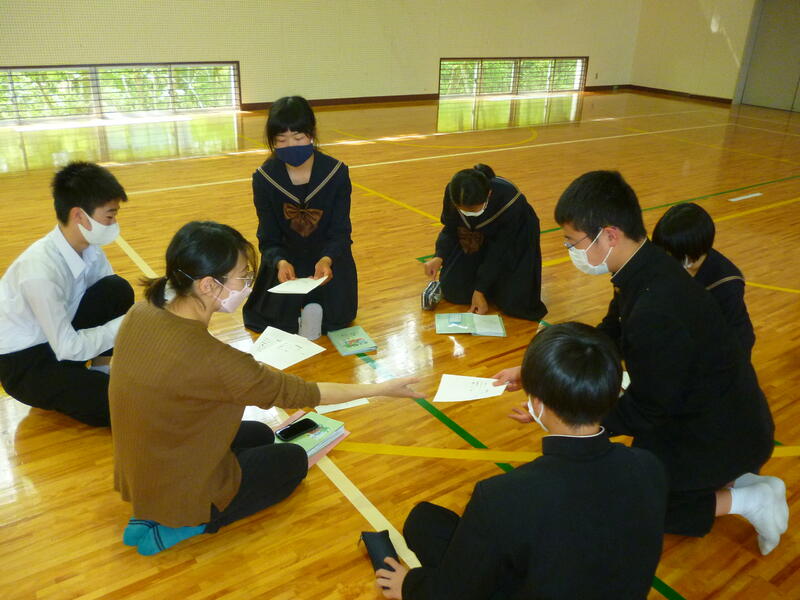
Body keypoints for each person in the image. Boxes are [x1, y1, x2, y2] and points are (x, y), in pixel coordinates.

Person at [494, 171, 785, 555]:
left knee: (633, 505)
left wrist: (565, 417)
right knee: (628, 481)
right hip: (697, 408)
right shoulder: (643, 268)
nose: (569, 249)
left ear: (609, 235)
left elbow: (646, 408)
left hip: (721, 432)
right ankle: (733, 483)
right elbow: (609, 333)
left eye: (573, 241)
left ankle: (753, 498)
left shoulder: (655, 308)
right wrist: (541, 373)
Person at [110, 221, 416, 556]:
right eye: (243, 276)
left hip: (142, 467)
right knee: (293, 461)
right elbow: (308, 393)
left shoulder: (142, 311)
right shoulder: (217, 361)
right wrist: (382, 388)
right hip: (181, 479)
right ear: (209, 285)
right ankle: (192, 521)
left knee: (258, 433)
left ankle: (151, 510)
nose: (248, 284)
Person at [375, 322, 667, 599]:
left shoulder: (501, 497)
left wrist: (409, 586)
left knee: (423, 522)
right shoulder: (649, 466)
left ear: (536, 403)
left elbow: (455, 593)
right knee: (430, 523)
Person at [0, 161, 133, 427]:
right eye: (109, 216)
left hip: (57, 337)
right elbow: (68, 347)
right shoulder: (40, 270)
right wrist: (127, 324)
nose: (114, 223)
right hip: (26, 364)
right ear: (79, 216)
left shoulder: (88, 247)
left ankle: (101, 370)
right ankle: (81, 385)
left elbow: (108, 299)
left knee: (116, 289)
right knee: (122, 405)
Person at [243, 96, 357, 337]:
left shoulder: (336, 172)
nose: (290, 146)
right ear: (272, 142)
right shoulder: (264, 179)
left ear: (311, 134)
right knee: (271, 318)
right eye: (281, 140)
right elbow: (268, 236)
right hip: (288, 258)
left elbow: (341, 231)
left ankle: (313, 306)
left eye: (298, 138)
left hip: (327, 257)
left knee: (338, 318)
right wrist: (280, 262)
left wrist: (327, 259)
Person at [423, 164, 546, 320]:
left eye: (473, 210)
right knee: (455, 292)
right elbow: (451, 228)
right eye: (462, 209)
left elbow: (500, 249)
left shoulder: (510, 202)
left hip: (514, 239)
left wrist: (480, 290)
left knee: (515, 303)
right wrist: (439, 256)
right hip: (477, 236)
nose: (468, 213)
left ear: (489, 194)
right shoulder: (453, 193)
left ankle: (494, 286)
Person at [652, 202, 755, 358]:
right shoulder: (665, 263)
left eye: (671, 253)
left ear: (689, 253)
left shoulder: (726, 284)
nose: (665, 259)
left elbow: (734, 342)